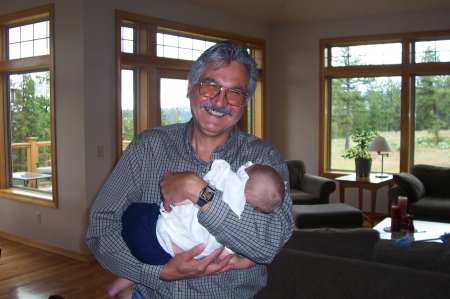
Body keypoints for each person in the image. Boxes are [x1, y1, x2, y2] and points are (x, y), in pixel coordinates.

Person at [86, 40, 293, 298]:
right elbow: (101, 224)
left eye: (235, 92)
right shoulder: (148, 146)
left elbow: (266, 246)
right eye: (210, 86)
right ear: (190, 88)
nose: (220, 101)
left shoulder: (263, 160)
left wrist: (198, 191)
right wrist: (155, 272)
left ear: (245, 101)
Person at [106, 159, 285, 298]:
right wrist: (248, 261)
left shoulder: (218, 185)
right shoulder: (234, 232)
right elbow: (228, 261)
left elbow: (178, 201)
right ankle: (126, 279)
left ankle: (128, 276)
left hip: (148, 228)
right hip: (160, 253)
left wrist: (190, 192)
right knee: (154, 260)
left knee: (138, 214)